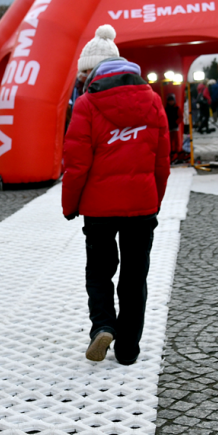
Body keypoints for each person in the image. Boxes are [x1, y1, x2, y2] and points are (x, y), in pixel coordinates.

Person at [62, 26, 171, 366]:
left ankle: (104, 326)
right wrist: (154, 200)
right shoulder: (153, 100)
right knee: (134, 276)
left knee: (99, 272)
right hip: (141, 205)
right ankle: (128, 349)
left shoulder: (87, 103)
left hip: (99, 208)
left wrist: (71, 205)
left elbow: (76, 164)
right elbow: (162, 163)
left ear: (93, 70)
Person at [66, 24, 121, 131]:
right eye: (88, 70)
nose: (91, 74)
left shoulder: (84, 103)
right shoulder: (145, 95)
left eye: (93, 69)